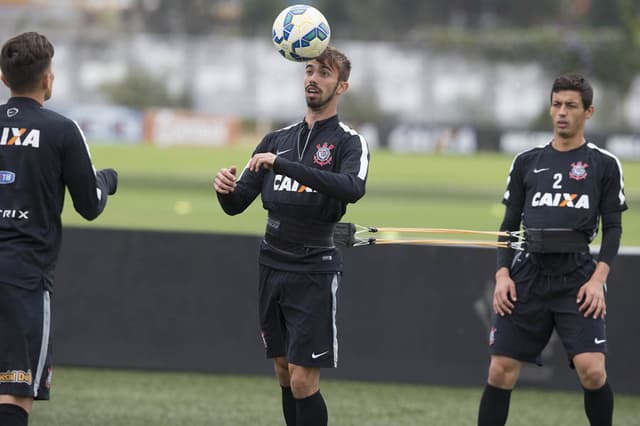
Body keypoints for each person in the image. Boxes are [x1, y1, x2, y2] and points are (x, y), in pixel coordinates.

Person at [214, 46, 369, 426]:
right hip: (272, 263)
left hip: (314, 267)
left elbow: (351, 188)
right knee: (284, 372)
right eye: (310, 70)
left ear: (342, 85)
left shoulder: (349, 141)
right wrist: (224, 190)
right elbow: (237, 204)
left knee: (303, 378)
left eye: (325, 73)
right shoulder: (274, 139)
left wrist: (285, 166)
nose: (314, 78)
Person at [477, 73, 627, 426]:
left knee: (592, 372)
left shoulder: (603, 164)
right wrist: (502, 275)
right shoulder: (526, 161)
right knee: (500, 370)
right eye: (556, 104)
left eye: (571, 106)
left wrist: (597, 280)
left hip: (578, 275)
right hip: (527, 273)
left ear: (588, 112)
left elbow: (614, 229)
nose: (562, 112)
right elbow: (508, 227)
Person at [0, 32, 118, 426]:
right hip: (23, 278)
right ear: (48, 79)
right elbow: (90, 206)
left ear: (4, 79)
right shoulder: (62, 130)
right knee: (15, 392)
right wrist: (107, 180)